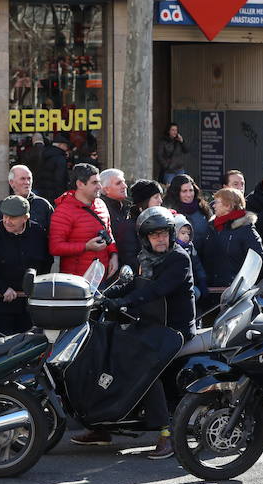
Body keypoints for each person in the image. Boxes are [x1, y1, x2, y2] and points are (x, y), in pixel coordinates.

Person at [72, 207, 196, 459]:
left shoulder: (178, 258)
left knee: (144, 368)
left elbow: (156, 290)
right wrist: (104, 295)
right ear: (145, 238)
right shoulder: (145, 257)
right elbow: (130, 282)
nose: (160, 239)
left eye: (164, 234)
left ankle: (166, 435)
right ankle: (102, 424)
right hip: (150, 324)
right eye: (154, 235)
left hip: (173, 329)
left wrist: (123, 303)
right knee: (107, 355)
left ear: (171, 235)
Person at [0, 195, 52, 336]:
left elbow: (46, 261)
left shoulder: (38, 233)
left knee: (29, 346)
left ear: (25, 217)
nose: (7, 221)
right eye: (5, 216)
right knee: (1, 348)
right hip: (0, 303)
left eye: (13, 218)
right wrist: (1, 288)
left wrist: (36, 286)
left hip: (30, 305)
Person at [49, 163, 119, 278]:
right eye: (94, 183)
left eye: (99, 182)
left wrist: (114, 254)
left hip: (102, 277)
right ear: (80, 184)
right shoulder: (63, 211)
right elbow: (55, 247)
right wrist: (86, 246)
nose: (100, 187)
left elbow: (108, 233)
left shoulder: (101, 204)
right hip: (75, 283)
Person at [202, 188, 263, 288]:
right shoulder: (212, 227)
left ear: (228, 206)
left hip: (235, 292)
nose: (213, 206)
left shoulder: (246, 229)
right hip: (211, 290)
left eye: (217, 202)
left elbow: (257, 261)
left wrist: (241, 285)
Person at [0, 165, 53, 231]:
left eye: (29, 178)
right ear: (11, 182)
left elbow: (53, 233)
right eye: (22, 179)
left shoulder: (43, 205)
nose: (27, 182)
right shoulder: (1, 206)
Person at [163, 174, 212, 255]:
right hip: (179, 258)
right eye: (184, 191)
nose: (189, 195)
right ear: (176, 192)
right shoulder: (168, 212)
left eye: (191, 190)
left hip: (204, 258)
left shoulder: (203, 208)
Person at [172, 213, 208, 302]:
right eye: (183, 233)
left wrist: (202, 280)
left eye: (188, 233)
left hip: (190, 283)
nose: (186, 236)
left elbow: (197, 266)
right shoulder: (172, 249)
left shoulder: (191, 248)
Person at [36, 133, 70, 203]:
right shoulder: (60, 158)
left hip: (43, 190)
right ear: (61, 145)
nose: (67, 148)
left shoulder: (45, 154)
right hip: (55, 193)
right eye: (66, 146)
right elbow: (60, 178)